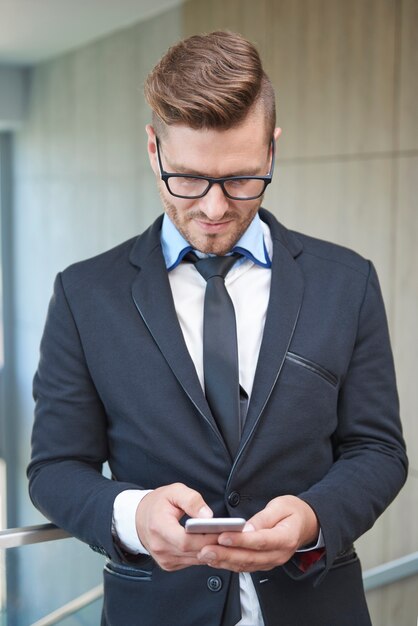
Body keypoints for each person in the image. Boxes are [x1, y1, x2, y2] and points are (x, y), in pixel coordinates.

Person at [28, 31, 408, 626]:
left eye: (241, 179)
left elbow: (378, 450)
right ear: (152, 148)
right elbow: (54, 469)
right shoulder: (83, 294)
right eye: (187, 178)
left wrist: (312, 518)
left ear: (272, 151)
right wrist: (133, 512)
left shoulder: (348, 282)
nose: (212, 208)